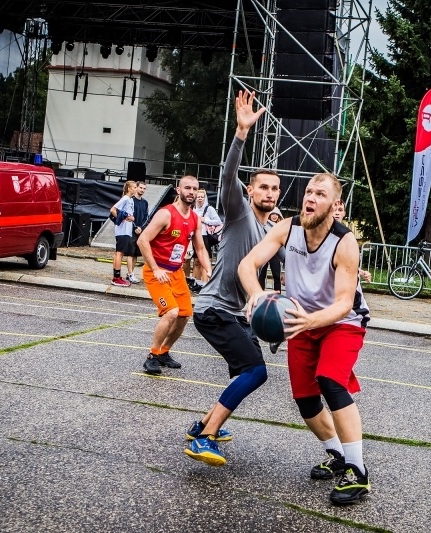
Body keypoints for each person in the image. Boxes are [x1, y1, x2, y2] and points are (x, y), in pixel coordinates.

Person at [239, 172, 372, 506]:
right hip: (300, 320)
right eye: (309, 191)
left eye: (320, 194)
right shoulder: (288, 228)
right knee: (305, 398)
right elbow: (247, 264)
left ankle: (357, 471)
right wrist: (256, 294)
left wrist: (310, 321)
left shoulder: (345, 242)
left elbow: (344, 303)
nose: (311, 198)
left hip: (341, 322)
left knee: (330, 381)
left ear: (335, 204)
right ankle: (336, 454)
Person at [185, 89, 280, 467]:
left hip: (234, 314)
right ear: (250, 191)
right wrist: (241, 132)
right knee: (256, 372)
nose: (269, 192)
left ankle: (203, 424)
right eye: (263, 187)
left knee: (246, 370)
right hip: (214, 310)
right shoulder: (239, 212)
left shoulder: (269, 231)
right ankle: (204, 439)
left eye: (275, 188)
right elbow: (228, 176)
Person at [137, 175, 211, 374]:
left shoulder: (195, 218)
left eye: (195, 189)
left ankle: (164, 352)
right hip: (156, 271)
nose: (191, 192)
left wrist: (209, 269)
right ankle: (152, 355)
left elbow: (200, 248)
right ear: (179, 190)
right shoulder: (166, 214)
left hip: (176, 272)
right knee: (171, 312)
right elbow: (143, 240)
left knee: (185, 314)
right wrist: (155, 269)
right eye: (187, 188)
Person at [332, 202, 372, 283]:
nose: (337, 213)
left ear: (344, 213)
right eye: (334, 210)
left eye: (340, 210)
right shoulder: (321, 232)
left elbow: (347, 264)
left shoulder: (348, 235)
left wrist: (362, 272)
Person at [189, 188, 222, 284]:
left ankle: (204, 284)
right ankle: (196, 282)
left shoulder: (209, 209)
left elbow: (218, 221)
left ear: (205, 198)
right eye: (198, 197)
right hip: (193, 235)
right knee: (196, 261)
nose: (200, 199)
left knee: (205, 261)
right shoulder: (192, 208)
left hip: (204, 236)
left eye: (202, 197)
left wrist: (205, 220)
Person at [110, 181, 136, 287]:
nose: (136, 189)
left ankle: (116, 276)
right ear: (129, 188)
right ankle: (116, 278)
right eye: (134, 187)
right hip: (122, 230)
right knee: (119, 253)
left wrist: (131, 218)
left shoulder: (130, 200)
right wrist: (121, 219)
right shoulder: (125, 198)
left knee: (119, 253)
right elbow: (113, 210)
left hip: (126, 230)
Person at [126, 181, 149, 284]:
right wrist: (135, 227)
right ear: (136, 188)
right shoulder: (131, 201)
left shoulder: (145, 203)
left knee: (135, 254)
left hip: (140, 231)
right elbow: (128, 215)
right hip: (130, 230)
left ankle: (130, 273)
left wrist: (141, 227)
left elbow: (146, 217)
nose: (142, 190)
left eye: (144, 188)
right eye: (140, 188)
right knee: (130, 253)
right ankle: (130, 274)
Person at [257, 207, 283, 292]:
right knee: (262, 275)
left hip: (275, 254)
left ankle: (278, 295)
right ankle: (260, 294)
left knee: (276, 275)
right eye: (273, 214)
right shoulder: (263, 225)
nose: (274, 216)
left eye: (276, 214)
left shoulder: (281, 226)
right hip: (263, 252)